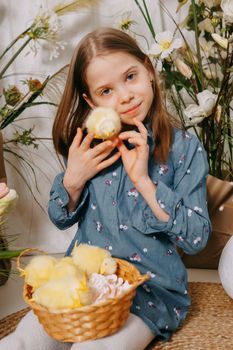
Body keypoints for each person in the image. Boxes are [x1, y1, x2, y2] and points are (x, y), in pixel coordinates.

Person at [0, 27, 211, 350]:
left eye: (130, 76)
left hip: (149, 289)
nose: (124, 96)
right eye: (106, 91)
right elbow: (60, 217)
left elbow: (196, 238)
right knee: (23, 341)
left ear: (149, 70)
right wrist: (73, 179)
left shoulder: (185, 148)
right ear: (91, 101)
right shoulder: (91, 147)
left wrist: (143, 180)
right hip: (82, 278)